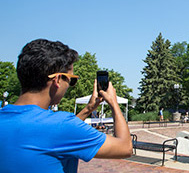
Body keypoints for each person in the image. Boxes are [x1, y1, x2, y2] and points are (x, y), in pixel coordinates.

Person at [0, 39, 132, 173]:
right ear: (57, 80)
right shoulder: (61, 124)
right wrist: (113, 102)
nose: (69, 85)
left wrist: (88, 109)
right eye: (71, 79)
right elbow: (125, 147)